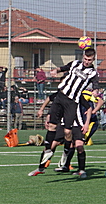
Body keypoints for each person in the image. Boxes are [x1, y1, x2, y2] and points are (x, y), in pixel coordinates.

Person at [28, 48, 99, 179]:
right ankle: (47, 153)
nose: (87, 61)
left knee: (67, 131)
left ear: (93, 59)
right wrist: (55, 71)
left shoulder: (93, 73)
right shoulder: (75, 63)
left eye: (89, 60)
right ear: (83, 57)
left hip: (72, 102)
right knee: (52, 126)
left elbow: (96, 85)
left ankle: (67, 157)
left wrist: (95, 91)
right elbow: (63, 68)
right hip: (61, 96)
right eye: (85, 59)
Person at [55, 89, 104, 173]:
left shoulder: (85, 93)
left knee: (79, 144)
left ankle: (81, 169)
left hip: (87, 123)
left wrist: (94, 111)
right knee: (71, 144)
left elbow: (100, 101)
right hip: (77, 123)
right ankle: (66, 166)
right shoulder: (69, 95)